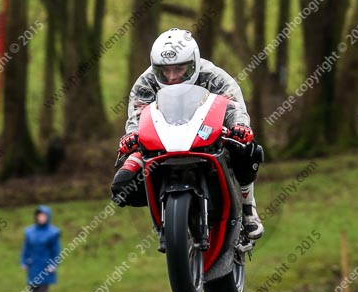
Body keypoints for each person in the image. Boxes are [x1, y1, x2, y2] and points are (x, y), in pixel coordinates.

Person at [111, 28, 264, 239]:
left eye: (179, 68)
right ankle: (165, 217)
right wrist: (132, 137)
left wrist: (240, 127)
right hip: (161, 142)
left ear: (193, 62)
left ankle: (248, 208)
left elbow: (235, 107)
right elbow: (136, 117)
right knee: (122, 185)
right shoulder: (145, 82)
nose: (172, 76)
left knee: (249, 150)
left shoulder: (214, 76)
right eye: (165, 70)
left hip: (207, 136)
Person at [20, 205, 61, 292]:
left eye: (44, 215)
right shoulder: (30, 232)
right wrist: (23, 262)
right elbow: (26, 248)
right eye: (39, 215)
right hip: (33, 266)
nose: (41, 218)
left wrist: (53, 264)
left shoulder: (53, 233)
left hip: (45, 267)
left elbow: (55, 250)